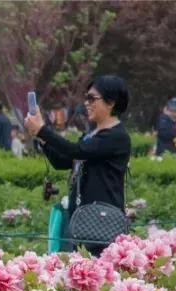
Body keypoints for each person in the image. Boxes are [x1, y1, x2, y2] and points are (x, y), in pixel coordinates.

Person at [26, 75, 131, 256]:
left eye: (92, 98)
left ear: (111, 102)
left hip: (103, 221)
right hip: (83, 220)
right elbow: (62, 162)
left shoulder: (116, 136)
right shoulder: (92, 135)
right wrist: (41, 138)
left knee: (99, 268)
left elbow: (75, 151)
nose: (86, 103)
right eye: (86, 98)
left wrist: (43, 130)